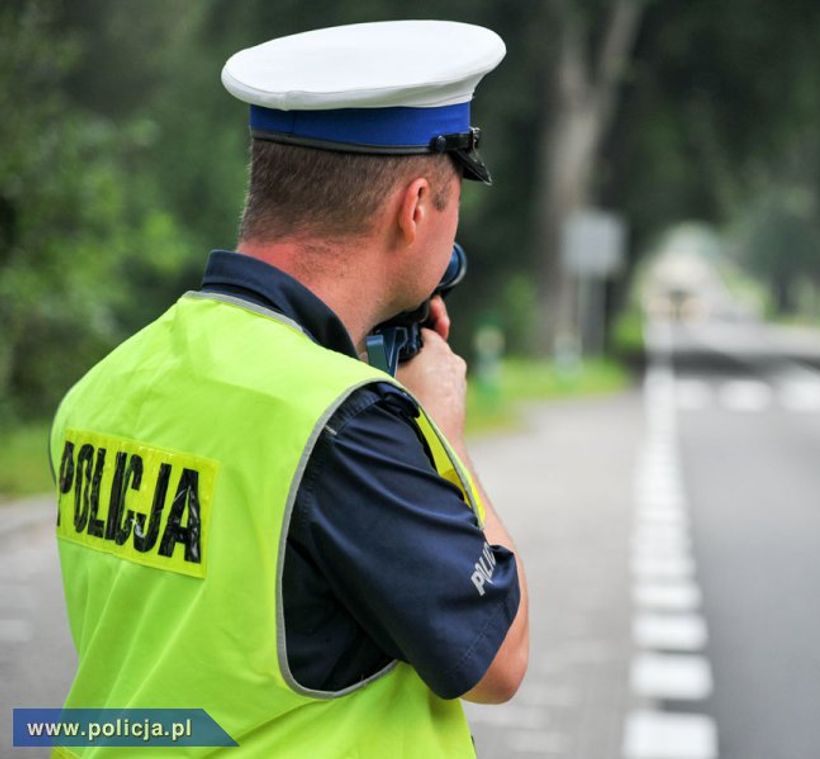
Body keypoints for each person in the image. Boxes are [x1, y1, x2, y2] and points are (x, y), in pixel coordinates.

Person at [48, 20, 527, 757]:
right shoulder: (342, 424)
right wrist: (444, 438)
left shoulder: (103, 386)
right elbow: (498, 660)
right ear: (417, 203)